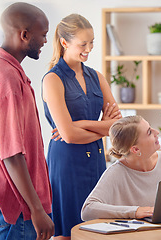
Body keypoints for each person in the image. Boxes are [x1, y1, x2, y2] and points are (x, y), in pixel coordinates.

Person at [0, 2, 54, 240]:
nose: (45, 41)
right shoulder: (8, 79)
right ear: (24, 35)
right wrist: (36, 209)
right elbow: (11, 153)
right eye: (43, 35)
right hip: (16, 203)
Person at [42, 14, 121, 239]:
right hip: (67, 163)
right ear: (65, 42)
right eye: (83, 44)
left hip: (96, 160)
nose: (89, 49)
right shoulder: (52, 79)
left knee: (97, 230)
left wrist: (82, 125)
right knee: (67, 232)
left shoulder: (96, 76)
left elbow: (118, 128)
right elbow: (67, 135)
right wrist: (101, 127)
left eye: (92, 42)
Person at [81, 115, 161, 221]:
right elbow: (87, 210)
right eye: (149, 132)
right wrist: (135, 211)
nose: (156, 132)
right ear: (135, 149)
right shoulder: (116, 172)